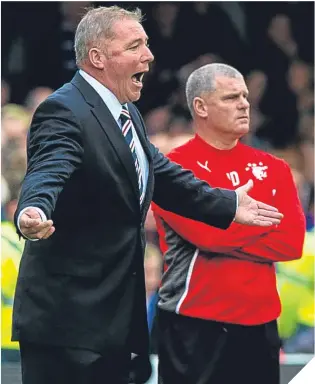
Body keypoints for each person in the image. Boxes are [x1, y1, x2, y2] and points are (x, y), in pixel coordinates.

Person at [13, 7, 283, 384]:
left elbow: (168, 179)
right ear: (98, 58)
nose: (149, 56)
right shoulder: (63, 110)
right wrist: (34, 209)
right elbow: (48, 169)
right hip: (68, 328)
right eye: (135, 45)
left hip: (111, 325)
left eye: (147, 44)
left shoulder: (126, 114)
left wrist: (231, 203)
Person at [152, 63, 306, 384]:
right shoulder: (174, 169)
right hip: (194, 322)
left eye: (245, 97)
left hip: (260, 324)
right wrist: (257, 230)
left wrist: (226, 227)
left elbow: (291, 243)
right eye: (231, 97)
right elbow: (207, 237)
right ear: (200, 107)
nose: (244, 104)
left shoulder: (273, 167)